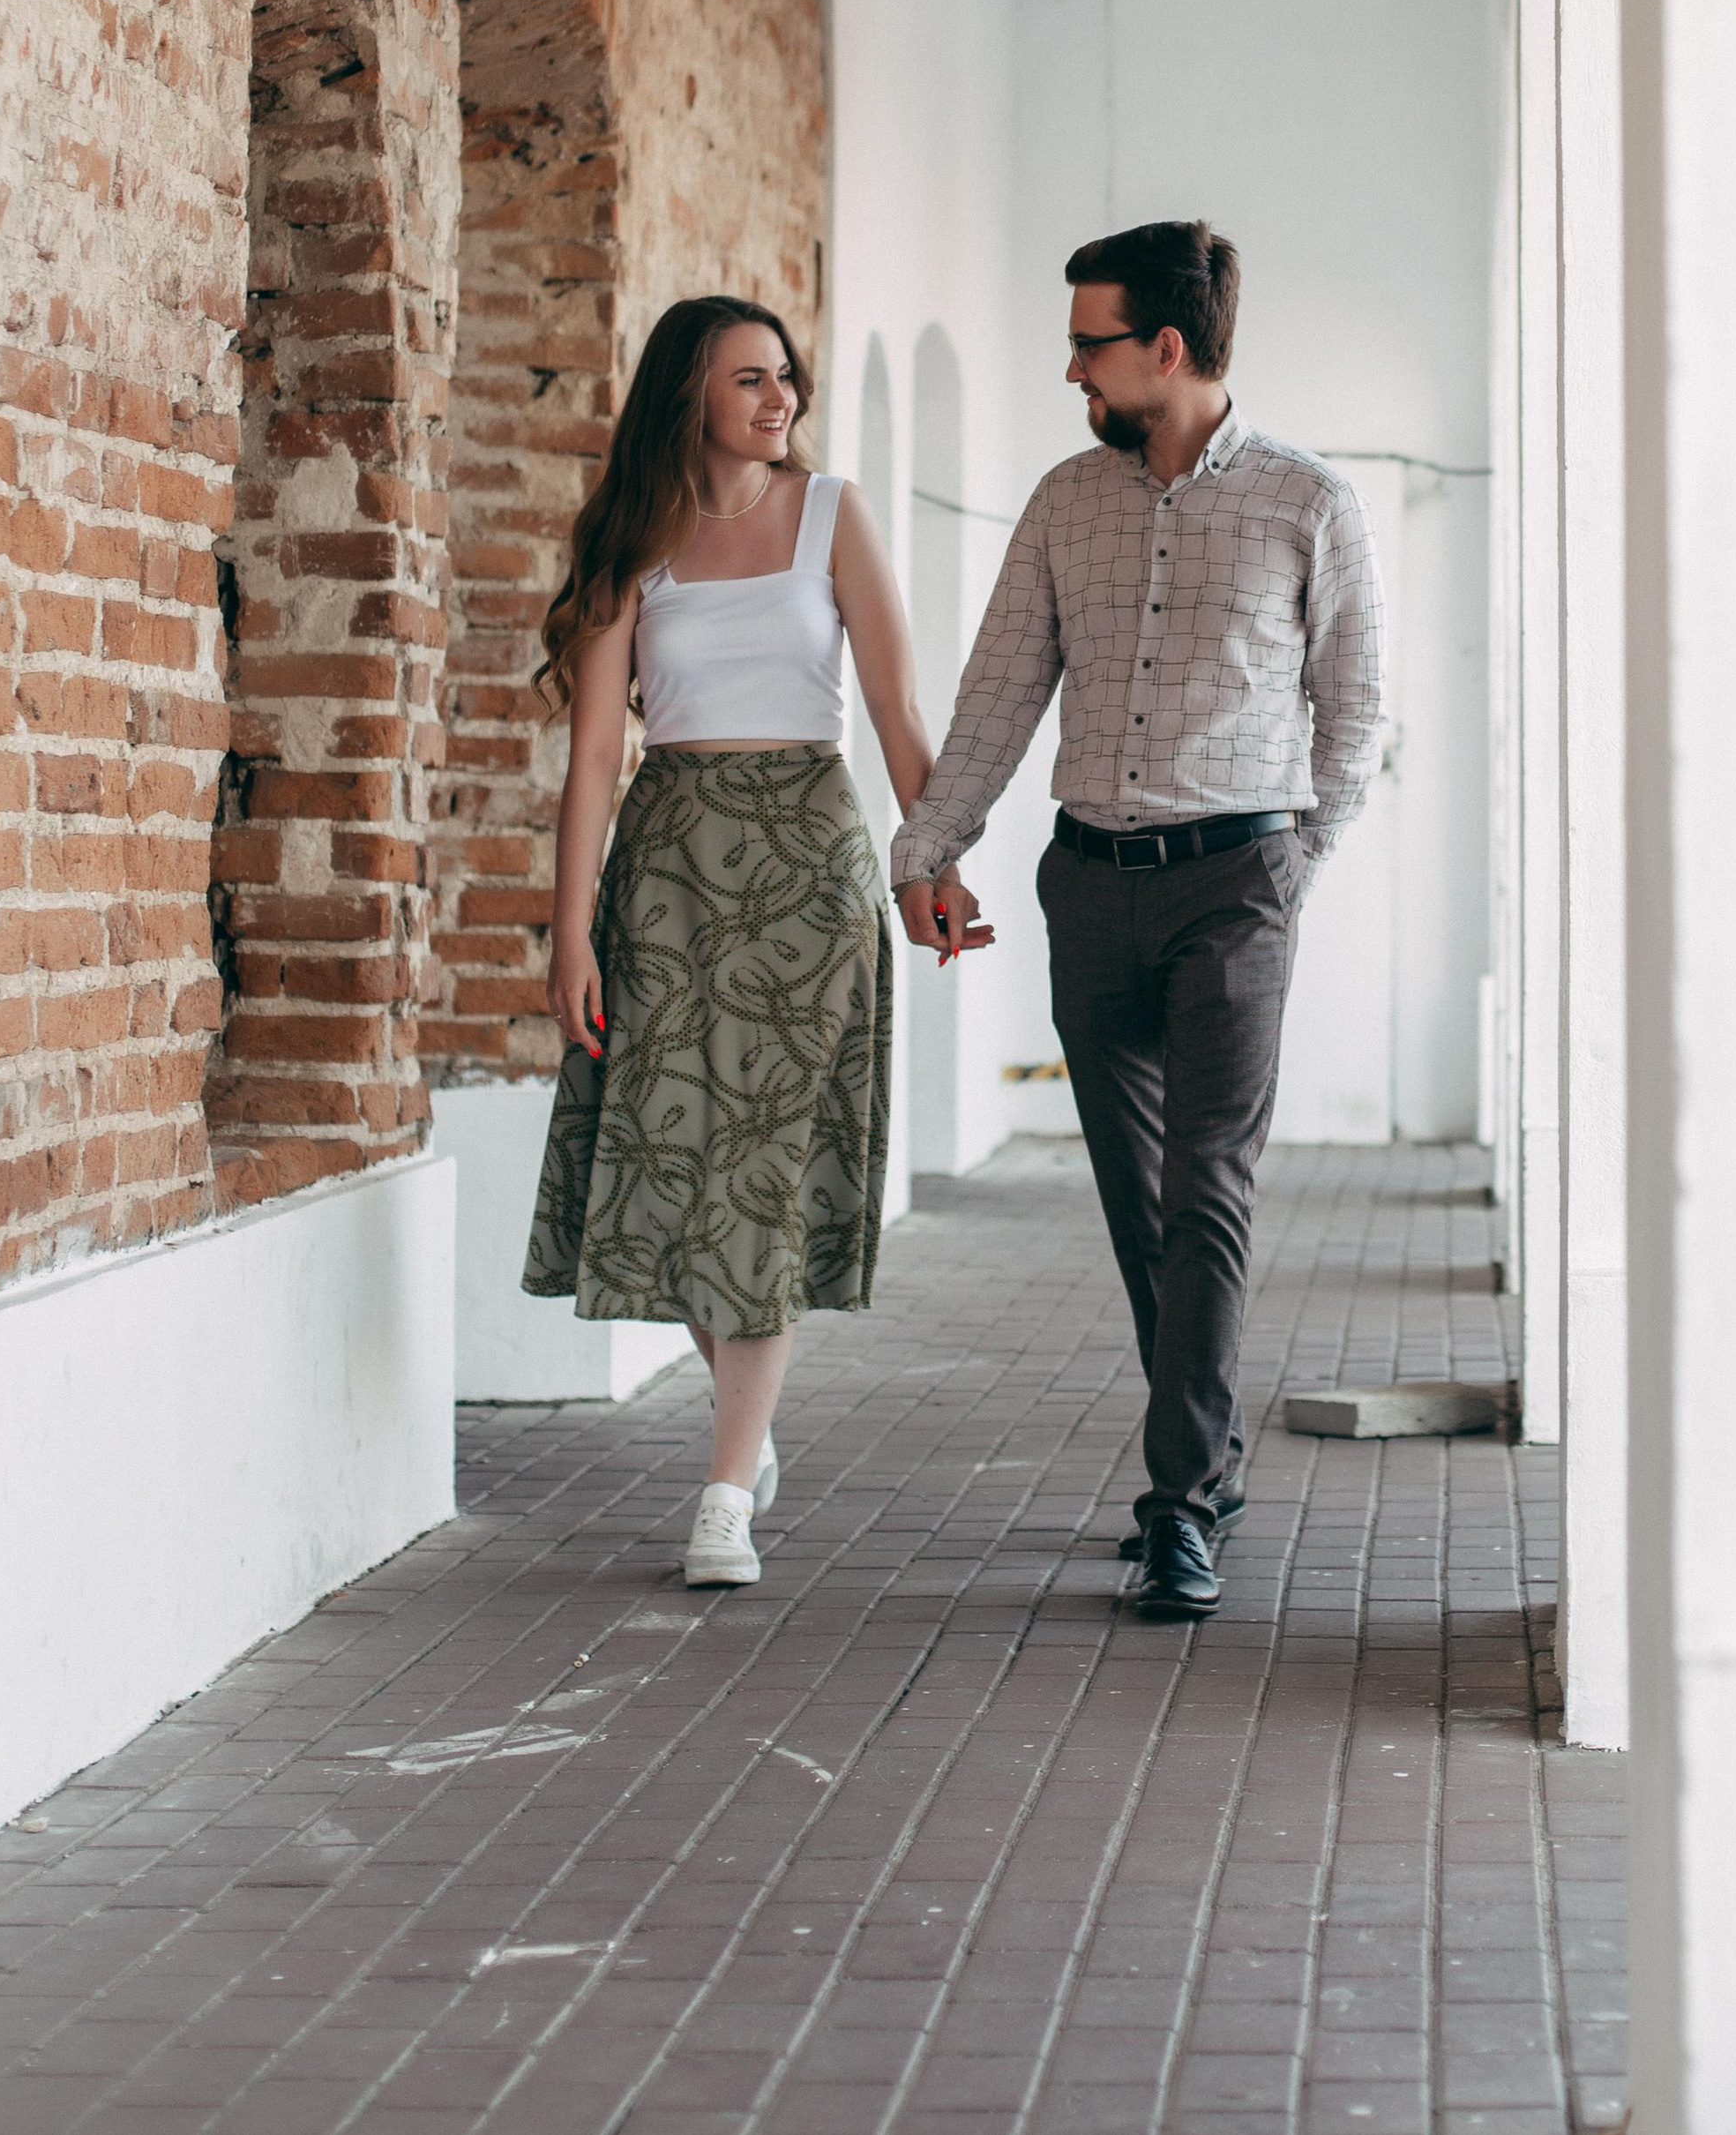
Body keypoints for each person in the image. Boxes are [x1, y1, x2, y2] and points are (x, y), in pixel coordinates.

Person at [893, 221, 1385, 1622]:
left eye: (1089, 341)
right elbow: (998, 692)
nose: (1071, 368)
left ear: (1166, 349)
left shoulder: (1308, 503)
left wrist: (1294, 868)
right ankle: (1210, 1455)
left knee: (1206, 1194)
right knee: (1137, 1203)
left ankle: (1178, 1505)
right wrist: (928, 849)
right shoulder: (1064, 504)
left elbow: (1353, 716)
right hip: (1089, 883)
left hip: (1236, 886)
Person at [521, 295, 989, 1590]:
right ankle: (751, 1426)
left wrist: (930, 870)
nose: (778, 398)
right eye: (748, 379)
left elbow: (896, 712)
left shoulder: (833, 514)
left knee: (765, 1177)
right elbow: (598, 758)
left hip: (807, 861)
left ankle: (725, 1488)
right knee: (673, 1165)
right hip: (667, 868)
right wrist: (572, 932)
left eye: (785, 377)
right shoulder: (629, 538)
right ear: (690, 394)